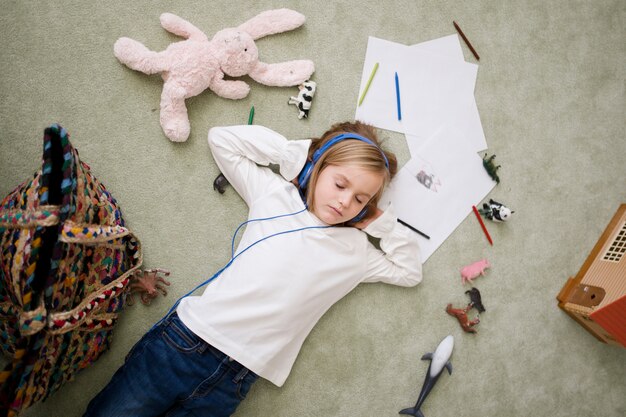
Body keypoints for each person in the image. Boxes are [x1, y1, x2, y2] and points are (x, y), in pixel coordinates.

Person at [83, 121, 422, 417]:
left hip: (235, 381)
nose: (346, 202)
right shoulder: (274, 195)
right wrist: (294, 157)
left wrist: (382, 225)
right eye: (340, 184)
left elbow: (409, 272)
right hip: (184, 344)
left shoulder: (357, 252)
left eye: (361, 199)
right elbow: (222, 140)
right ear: (315, 169)